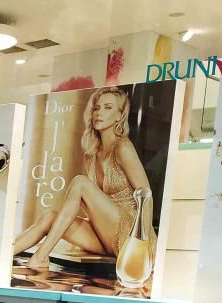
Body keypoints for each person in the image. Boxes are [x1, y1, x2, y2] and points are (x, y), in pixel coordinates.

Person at [14, 86, 154, 270]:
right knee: (49, 217)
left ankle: (41, 256)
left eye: (108, 107)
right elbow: (97, 206)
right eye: (97, 108)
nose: (99, 113)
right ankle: (3, 255)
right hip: (106, 235)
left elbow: (146, 196)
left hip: (130, 235)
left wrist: (142, 244)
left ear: (120, 115)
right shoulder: (91, 154)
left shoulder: (123, 147)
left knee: (80, 182)